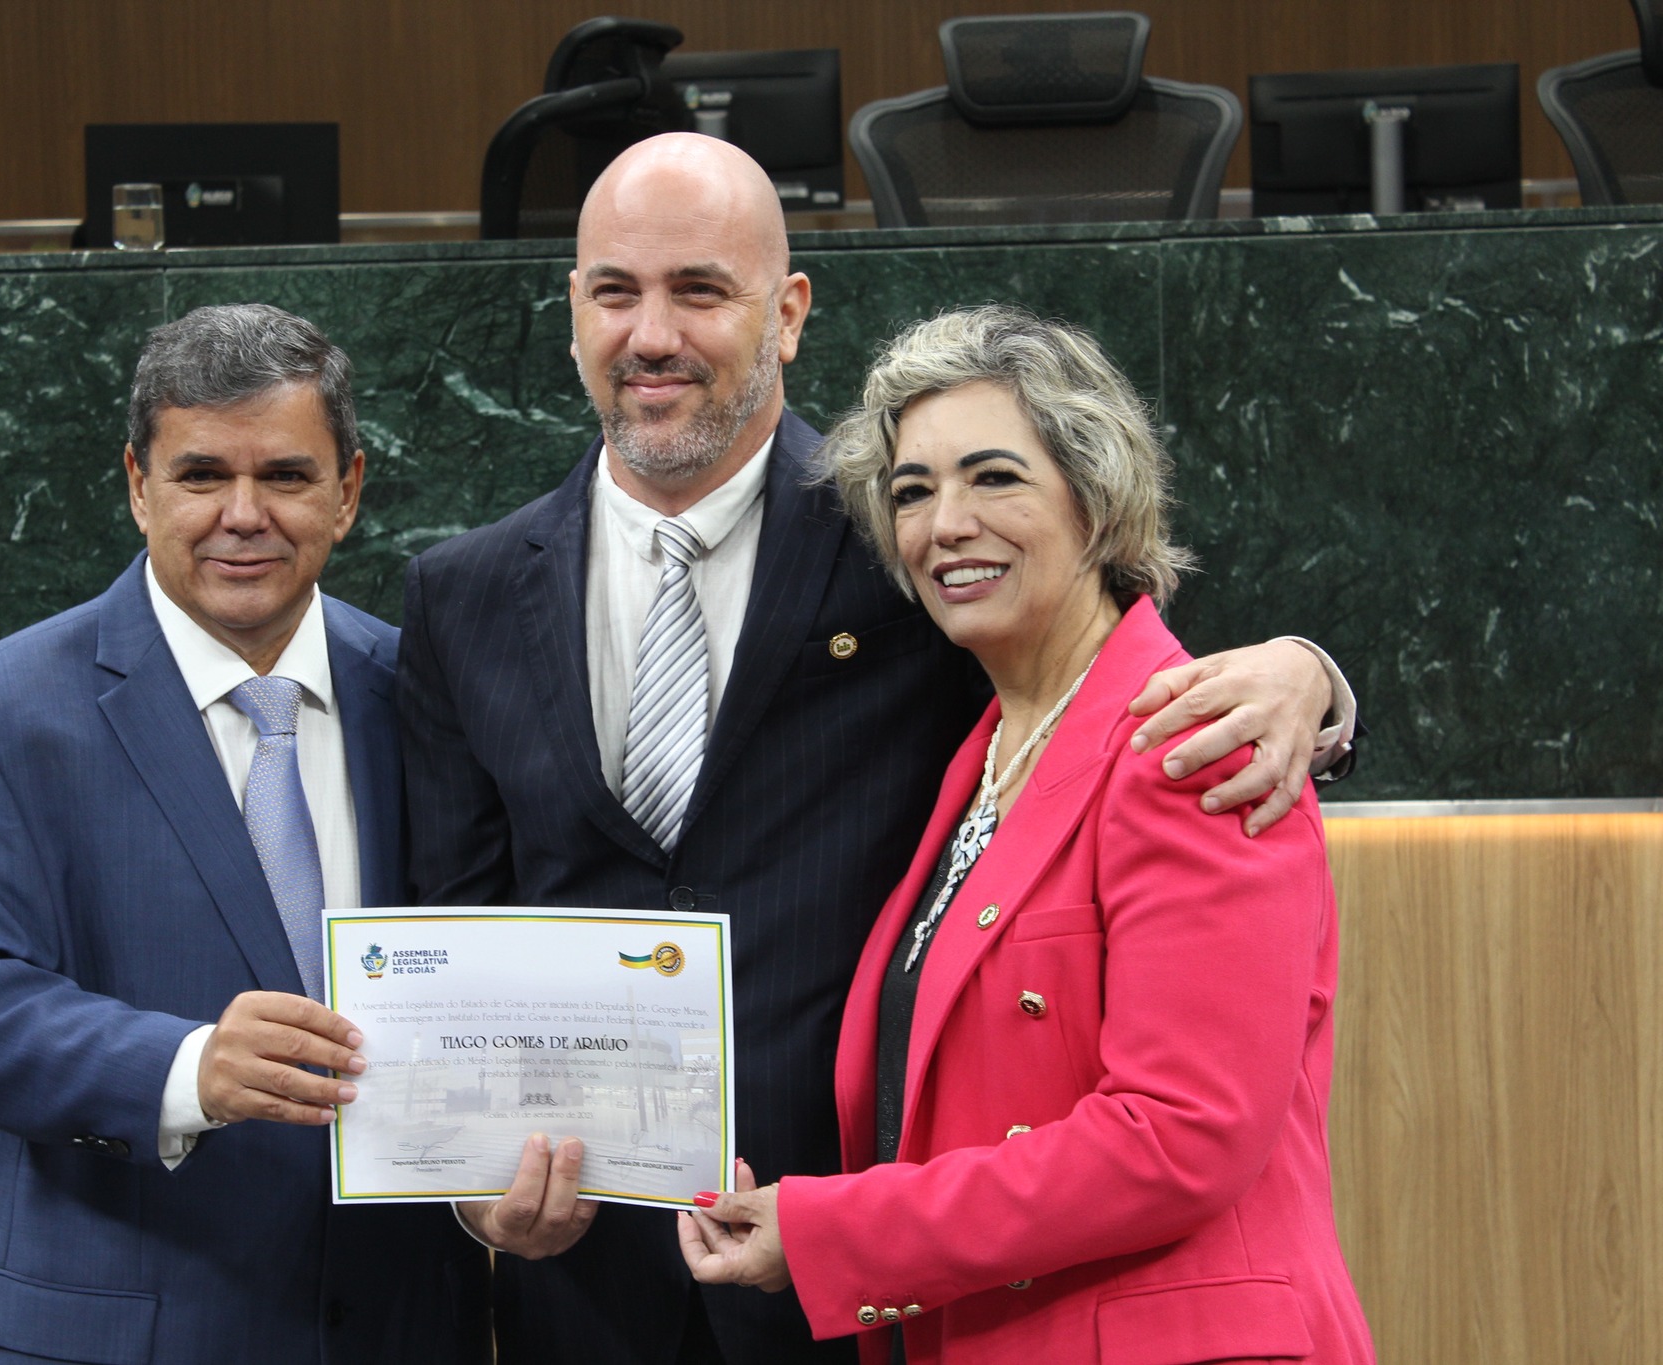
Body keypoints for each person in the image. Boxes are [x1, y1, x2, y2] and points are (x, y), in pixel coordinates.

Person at [398, 132, 1357, 1364]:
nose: (651, 335)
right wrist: (474, 1179)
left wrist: (1311, 679)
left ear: (788, 312)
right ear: (571, 308)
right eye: (613, 292)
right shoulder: (460, 592)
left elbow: (1128, 666)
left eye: (699, 290)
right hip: (586, 1288)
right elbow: (460, 929)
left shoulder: (905, 548)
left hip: (862, 1288)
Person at [679, 305, 1374, 1364]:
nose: (942, 524)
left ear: (1096, 504)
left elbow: (1176, 1140)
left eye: (993, 477)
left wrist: (834, 1232)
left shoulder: (1197, 741)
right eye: (911, 493)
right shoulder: (978, 756)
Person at [0, 305, 490, 1364]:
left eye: (287, 476)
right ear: (136, 484)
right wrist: (188, 1067)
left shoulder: (426, 690)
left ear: (347, 491)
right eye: (202, 474)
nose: (242, 515)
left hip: (395, 1325)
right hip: (109, 1330)